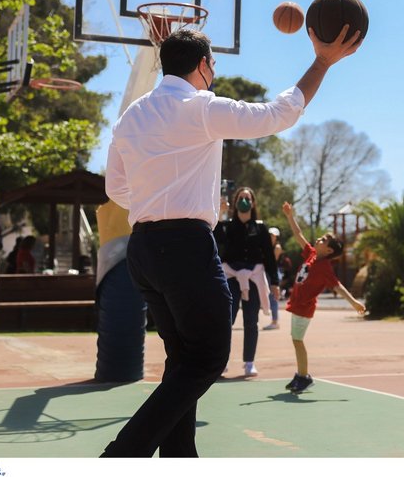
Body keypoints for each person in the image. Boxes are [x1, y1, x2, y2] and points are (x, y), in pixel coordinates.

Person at [102, 24, 362, 458]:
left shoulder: (132, 115)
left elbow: (116, 188)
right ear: (202, 66)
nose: (215, 71)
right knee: (207, 358)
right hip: (185, 245)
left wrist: (156, 199)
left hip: (143, 247)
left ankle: (180, 460)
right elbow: (278, 114)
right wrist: (322, 61)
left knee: (182, 359)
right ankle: (120, 457)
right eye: (214, 64)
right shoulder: (201, 107)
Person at [280, 201, 365, 393]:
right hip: (297, 304)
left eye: (323, 240)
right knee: (296, 340)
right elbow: (298, 234)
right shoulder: (311, 254)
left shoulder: (325, 267)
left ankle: (304, 376)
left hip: (305, 307)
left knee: (298, 341)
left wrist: (353, 303)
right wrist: (289, 216)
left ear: (328, 250)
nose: (319, 239)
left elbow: (338, 287)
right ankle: (301, 374)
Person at [214, 187, 278, 376]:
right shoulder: (225, 226)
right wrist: (219, 212)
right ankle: (221, 363)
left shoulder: (260, 227)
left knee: (251, 321)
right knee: (227, 320)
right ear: (235, 203)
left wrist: (274, 282)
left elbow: (269, 256)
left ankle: (249, 362)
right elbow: (214, 241)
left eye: (247, 198)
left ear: (253, 202)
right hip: (231, 278)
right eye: (241, 198)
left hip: (252, 278)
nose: (244, 201)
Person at [263, 226, 282, 330]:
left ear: (276, 237)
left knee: (273, 297)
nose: (271, 237)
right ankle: (274, 321)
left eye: (273, 235)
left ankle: (275, 322)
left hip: (274, 274)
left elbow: (271, 262)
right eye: (270, 235)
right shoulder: (267, 246)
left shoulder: (277, 247)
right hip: (266, 272)